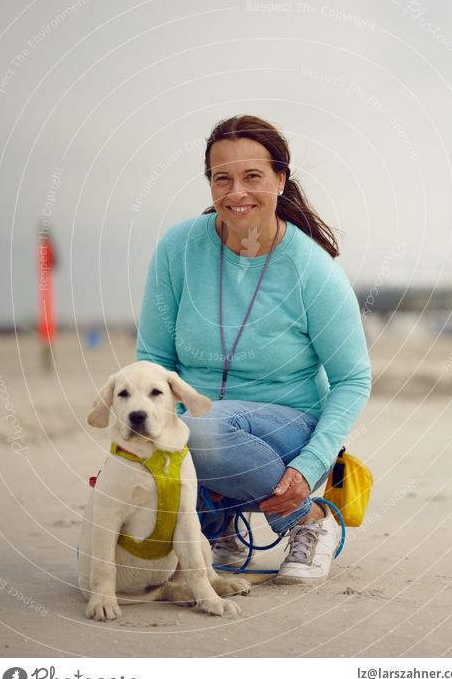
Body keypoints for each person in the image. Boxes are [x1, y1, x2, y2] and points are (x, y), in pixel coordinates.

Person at [136, 115, 371, 584]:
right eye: (222, 178)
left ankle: (308, 521)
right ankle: (219, 517)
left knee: (200, 429)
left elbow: (353, 379)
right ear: (209, 185)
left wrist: (308, 468)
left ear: (281, 180)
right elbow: (153, 364)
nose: (236, 192)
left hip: (287, 430)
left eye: (252, 176)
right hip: (192, 432)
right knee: (135, 566)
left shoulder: (312, 269)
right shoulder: (177, 249)